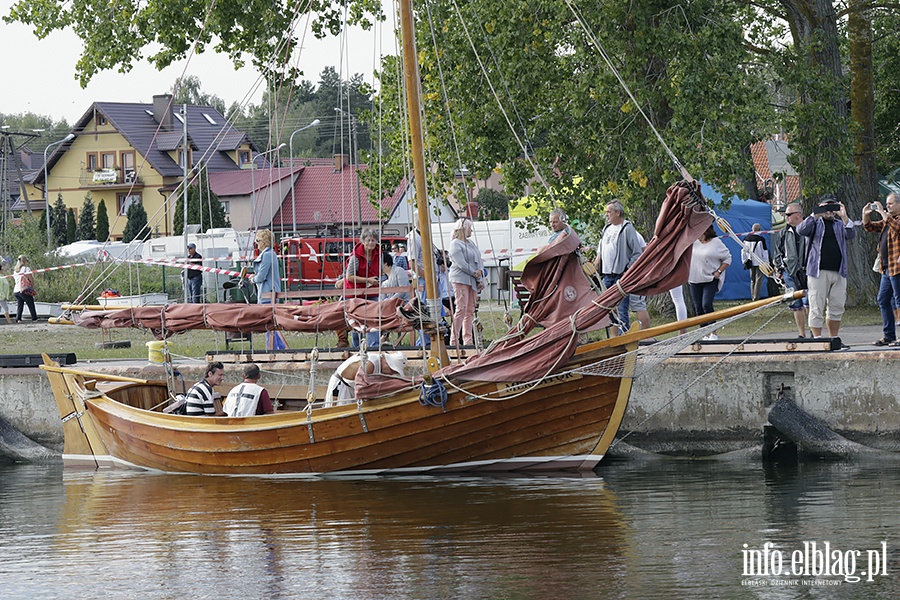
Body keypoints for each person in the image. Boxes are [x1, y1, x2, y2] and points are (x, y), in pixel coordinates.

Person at [797, 196, 856, 342]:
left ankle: (834, 338)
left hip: (839, 271)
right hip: (818, 271)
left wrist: (844, 216)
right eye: (826, 207)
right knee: (816, 305)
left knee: (836, 306)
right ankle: (817, 339)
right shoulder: (815, 223)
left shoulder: (839, 224)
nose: (829, 210)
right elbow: (801, 230)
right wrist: (816, 214)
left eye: (832, 207)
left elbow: (851, 234)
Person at [592, 201, 643, 335]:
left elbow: (637, 252)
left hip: (620, 276)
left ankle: (624, 340)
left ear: (618, 212)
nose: (606, 215)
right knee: (605, 310)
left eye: (609, 212)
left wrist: (628, 270)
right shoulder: (606, 229)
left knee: (621, 310)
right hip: (606, 276)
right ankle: (614, 339)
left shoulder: (627, 228)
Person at [863, 193, 900, 346]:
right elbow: (870, 227)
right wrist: (866, 215)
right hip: (886, 268)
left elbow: (897, 228)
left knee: (899, 301)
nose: (888, 206)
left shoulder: (893, 220)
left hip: (897, 267)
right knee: (883, 299)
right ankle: (889, 335)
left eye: (890, 203)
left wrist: (883, 213)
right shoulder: (887, 221)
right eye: (887, 204)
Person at [773, 202, 809, 338]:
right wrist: (780, 270)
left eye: (788, 214)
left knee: (809, 302)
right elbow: (777, 253)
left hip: (807, 271)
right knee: (796, 303)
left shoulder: (809, 229)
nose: (786, 217)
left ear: (798, 215)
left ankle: (814, 332)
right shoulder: (783, 233)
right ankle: (801, 334)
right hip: (790, 272)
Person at [688, 226, 731, 340]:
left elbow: (728, 258)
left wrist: (719, 271)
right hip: (694, 279)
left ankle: (713, 332)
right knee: (698, 307)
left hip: (710, 279)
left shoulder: (716, 243)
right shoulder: (693, 242)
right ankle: (704, 333)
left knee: (706, 304)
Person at [324, 351, 408, 407]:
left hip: (350, 387)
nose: (391, 373)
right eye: (392, 370)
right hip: (342, 387)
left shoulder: (377, 363)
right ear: (387, 362)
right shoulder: (369, 365)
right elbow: (362, 388)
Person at [448, 217, 484, 346]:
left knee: (470, 309)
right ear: (463, 229)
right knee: (461, 308)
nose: (471, 231)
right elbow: (461, 263)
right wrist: (475, 273)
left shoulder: (470, 243)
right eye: (470, 228)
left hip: (472, 280)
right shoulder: (455, 244)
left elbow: (478, 259)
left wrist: (480, 273)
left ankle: (468, 339)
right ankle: (454, 340)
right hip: (460, 279)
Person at [345, 229, 382, 349]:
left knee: (374, 318)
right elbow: (349, 276)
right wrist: (368, 280)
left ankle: (374, 346)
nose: (371, 243)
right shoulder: (355, 256)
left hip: (372, 290)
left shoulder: (378, 254)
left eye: (373, 240)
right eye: (368, 240)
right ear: (363, 241)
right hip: (354, 292)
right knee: (356, 321)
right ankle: (358, 348)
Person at [251, 229, 284, 350]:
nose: (256, 243)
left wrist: (253, 279)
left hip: (267, 294)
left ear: (264, 242)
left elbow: (261, 276)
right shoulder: (271, 254)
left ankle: (273, 349)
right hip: (270, 292)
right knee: (272, 325)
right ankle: (279, 348)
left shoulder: (266, 255)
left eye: (258, 241)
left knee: (269, 325)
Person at [741, 223, 769, 301]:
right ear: (760, 229)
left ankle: (753, 295)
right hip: (760, 262)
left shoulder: (746, 238)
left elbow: (743, 251)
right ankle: (756, 297)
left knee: (752, 280)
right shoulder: (761, 240)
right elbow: (764, 252)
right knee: (758, 280)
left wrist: (744, 260)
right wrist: (766, 262)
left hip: (750, 261)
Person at [13, 254, 38, 324]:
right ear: (24, 261)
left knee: (20, 305)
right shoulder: (26, 269)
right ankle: (34, 318)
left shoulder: (15, 270)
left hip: (16, 289)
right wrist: (32, 285)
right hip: (24, 289)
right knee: (30, 303)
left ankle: (18, 319)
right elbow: (30, 278)